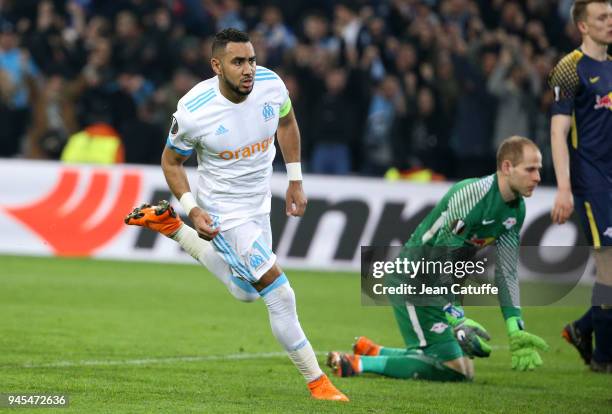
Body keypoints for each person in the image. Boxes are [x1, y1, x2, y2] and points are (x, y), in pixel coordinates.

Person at [124, 28, 348, 401]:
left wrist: (295, 180)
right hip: (222, 211)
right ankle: (317, 382)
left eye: (252, 59)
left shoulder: (271, 85)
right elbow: (171, 162)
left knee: (246, 292)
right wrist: (193, 209)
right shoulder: (194, 111)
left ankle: (172, 229)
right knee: (280, 293)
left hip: (259, 203)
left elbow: (287, 123)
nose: (249, 69)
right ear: (217, 65)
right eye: (238, 62)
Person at [327, 136, 548, 381]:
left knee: (462, 368)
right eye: (531, 169)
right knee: (455, 370)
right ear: (507, 167)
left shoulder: (516, 210)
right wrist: (457, 318)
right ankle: (357, 363)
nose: (538, 177)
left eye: (538, 169)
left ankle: (375, 351)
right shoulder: (474, 195)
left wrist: (514, 325)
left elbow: (506, 271)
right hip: (413, 280)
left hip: (436, 287)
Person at [548, 0, 612, 373]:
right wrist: (564, 188)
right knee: (608, 270)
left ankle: (583, 327)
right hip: (593, 183)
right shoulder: (568, 69)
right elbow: (559, 131)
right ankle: (604, 357)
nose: (610, 22)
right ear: (583, 27)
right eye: (602, 17)